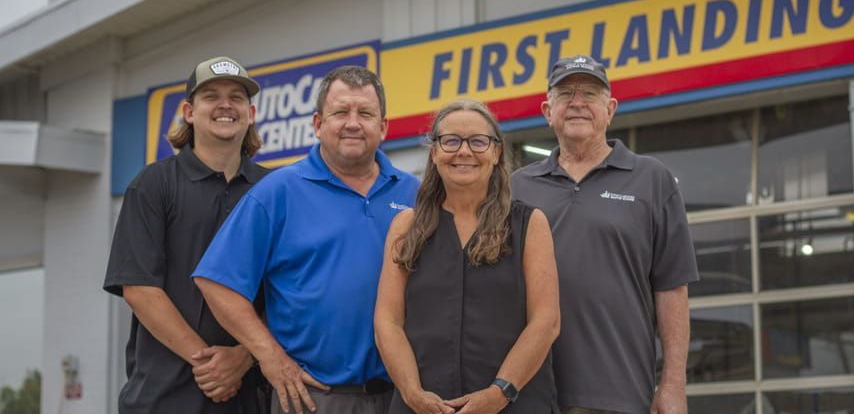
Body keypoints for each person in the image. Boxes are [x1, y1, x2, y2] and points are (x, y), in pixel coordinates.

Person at [193, 65, 420, 414]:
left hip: (401, 396)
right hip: (313, 398)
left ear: (383, 127)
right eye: (341, 112)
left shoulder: (415, 193)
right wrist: (269, 358)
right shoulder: (277, 192)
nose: (353, 123)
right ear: (317, 124)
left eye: (365, 113)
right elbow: (216, 282)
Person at [511, 56, 698, 414]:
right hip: (531, 392)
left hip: (621, 391)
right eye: (565, 94)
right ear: (548, 111)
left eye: (590, 93)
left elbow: (672, 288)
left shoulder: (651, 179)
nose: (577, 102)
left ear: (610, 109)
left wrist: (672, 384)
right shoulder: (518, 186)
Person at [103, 56, 269, 413]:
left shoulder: (274, 189)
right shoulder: (153, 184)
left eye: (236, 97)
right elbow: (141, 289)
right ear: (189, 111)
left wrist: (244, 357)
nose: (225, 105)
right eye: (211, 95)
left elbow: (289, 291)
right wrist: (211, 365)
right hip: (163, 398)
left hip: (251, 397)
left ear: (250, 113)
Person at [375, 99, 560, 414]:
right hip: (423, 408)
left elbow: (546, 321)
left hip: (516, 404)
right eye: (451, 141)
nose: (464, 151)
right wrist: (412, 393)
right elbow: (387, 321)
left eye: (478, 141)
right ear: (434, 153)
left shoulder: (529, 224)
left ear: (496, 152)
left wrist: (499, 393)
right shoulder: (406, 226)